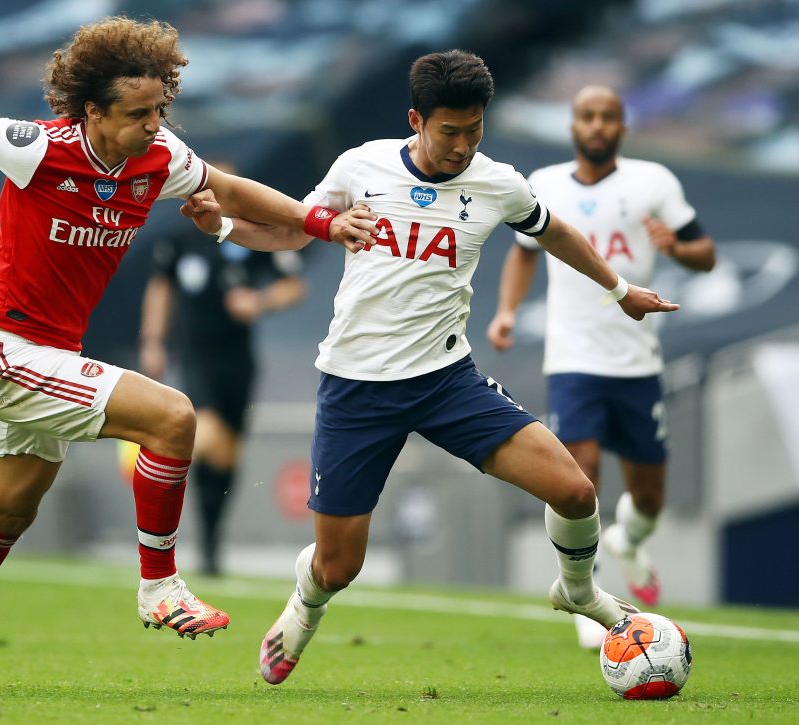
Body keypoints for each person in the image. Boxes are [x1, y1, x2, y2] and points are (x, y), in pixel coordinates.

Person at [0, 16, 375, 688]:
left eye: (161, 109)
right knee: (175, 417)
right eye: (137, 113)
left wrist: (320, 220)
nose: (154, 125)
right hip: (7, 350)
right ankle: (160, 584)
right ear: (93, 110)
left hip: (52, 352)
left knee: (7, 511)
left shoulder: (161, 157)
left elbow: (233, 191)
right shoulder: (37, 147)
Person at [184, 49, 679, 686]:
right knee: (338, 567)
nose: (462, 146)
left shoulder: (498, 183)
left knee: (577, 491)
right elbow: (292, 233)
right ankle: (305, 605)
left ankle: (580, 594)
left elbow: (554, 233)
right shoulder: (359, 166)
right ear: (416, 119)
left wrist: (618, 289)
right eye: (449, 132)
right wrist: (222, 225)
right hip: (356, 387)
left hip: (448, 382)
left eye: (475, 130)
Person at [486, 85, 716, 648]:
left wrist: (677, 248)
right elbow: (522, 254)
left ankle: (629, 541)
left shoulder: (653, 182)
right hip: (573, 359)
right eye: (587, 116)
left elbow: (704, 253)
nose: (596, 125)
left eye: (607, 117)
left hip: (637, 361)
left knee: (650, 498)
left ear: (621, 127)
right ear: (573, 126)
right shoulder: (545, 184)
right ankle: (589, 597)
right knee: (580, 479)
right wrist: (507, 313)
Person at [139, 166, 308, 576]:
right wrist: (153, 341)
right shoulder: (179, 241)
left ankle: (211, 545)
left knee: (229, 452)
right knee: (209, 437)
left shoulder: (248, 236)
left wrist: (260, 301)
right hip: (195, 356)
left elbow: (293, 285)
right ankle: (183, 541)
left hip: (239, 360)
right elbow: (160, 288)